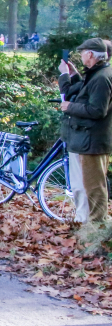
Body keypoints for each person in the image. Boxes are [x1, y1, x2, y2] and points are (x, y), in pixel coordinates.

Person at [58, 37, 112, 224]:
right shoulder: (96, 74)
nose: (80, 55)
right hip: (83, 140)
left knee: (93, 187)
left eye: (82, 52)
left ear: (90, 54)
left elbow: (97, 110)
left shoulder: (102, 78)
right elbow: (80, 92)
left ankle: (96, 227)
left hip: (91, 141)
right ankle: (83, 223)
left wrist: (69, 107)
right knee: (81, 186)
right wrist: (72, 75)